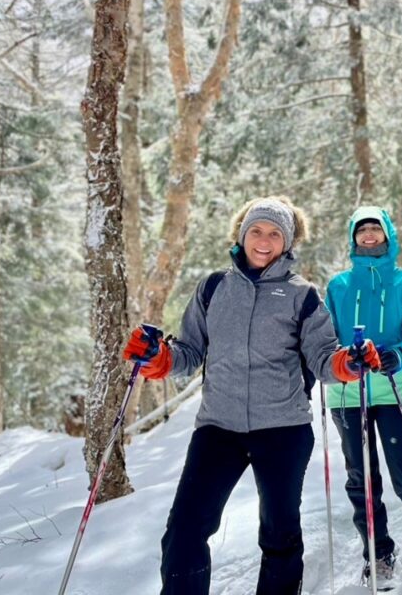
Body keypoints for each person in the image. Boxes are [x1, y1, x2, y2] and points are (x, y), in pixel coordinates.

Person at [121, 196, 363, 595]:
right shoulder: (214, 287)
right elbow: (189, 352)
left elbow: (324, 359)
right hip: (219, 427)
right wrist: (159, 358)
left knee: (280, 533)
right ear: (242, 234)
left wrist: (348, 363)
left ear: (287, 242)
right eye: (256, 231)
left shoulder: (303, 295)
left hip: (283, 429)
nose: (264, 241)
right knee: (185, 529)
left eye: (274, 234)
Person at [325, 206, 402, 589]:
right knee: (361, 479)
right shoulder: (338, 286)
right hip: (348, 394)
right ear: (353, 237)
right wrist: (342, 359)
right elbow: (325, 338)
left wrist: (397, 355)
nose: (368, 235)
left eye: (375, 229)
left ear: (387, 235)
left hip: (395, 388)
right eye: (361, 229)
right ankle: (377, 554)